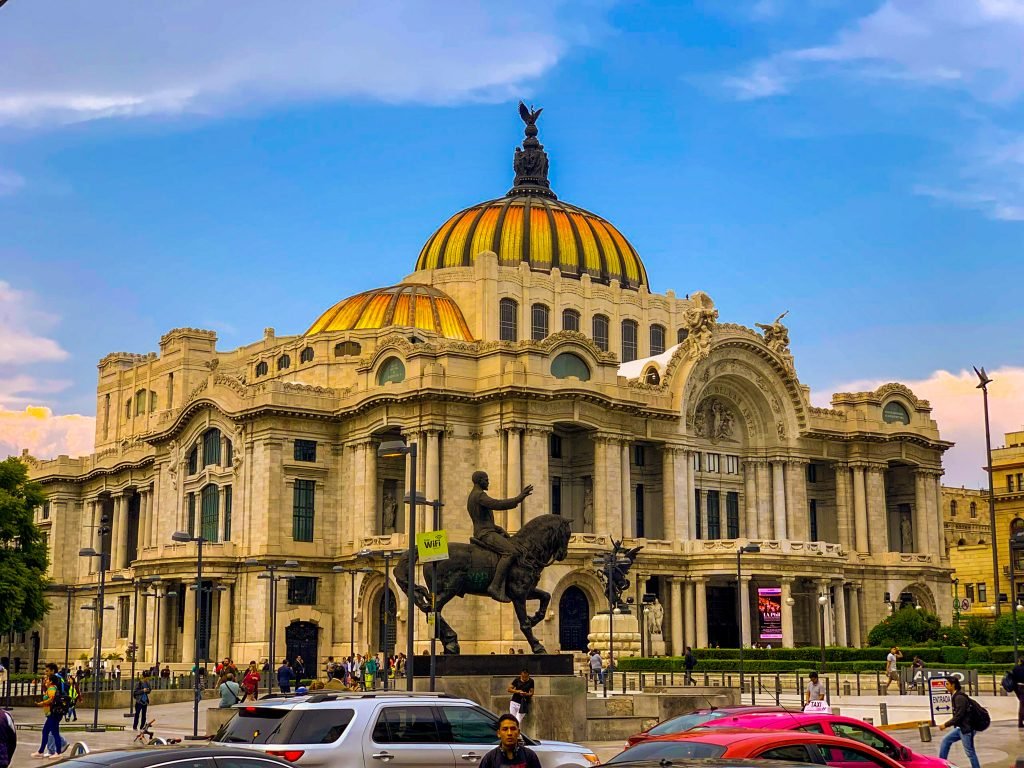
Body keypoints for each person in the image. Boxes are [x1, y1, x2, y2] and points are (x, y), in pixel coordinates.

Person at [467, 470, 533, 603]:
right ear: (479, 481)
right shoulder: (479, 495)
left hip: (487, 531)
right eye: (486, 480)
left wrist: (498, 529)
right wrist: (519, 498)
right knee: (511, 552)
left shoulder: (474, 495)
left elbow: (483, 520)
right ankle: (495, 587)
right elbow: (497, 504)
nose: (488, 482)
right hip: (485, 534)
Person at [938, 676, 981, 768]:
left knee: (970, 752)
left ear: (953, 685)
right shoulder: (956, 696)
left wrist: (945, 725)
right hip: (961, 728)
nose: (946, 686)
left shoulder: (959, 698)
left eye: (947, 684)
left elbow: (959, 715)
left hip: (967, 729)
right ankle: (941, 764)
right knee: (945, 741)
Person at [32, 671, 62, 758]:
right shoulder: (53, 688)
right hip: (51, 714)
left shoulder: (51, 689)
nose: (46, 680)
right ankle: (40, 751)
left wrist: (42, 703)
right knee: (45, 731)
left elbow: (52, 699)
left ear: (51, 681)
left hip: (53, 714)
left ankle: (58, 753)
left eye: (47, 679)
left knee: (55, 732)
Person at [1010, 656, 1024, 728]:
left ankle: (1020, 722)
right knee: (1022, 704)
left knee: (1022, 704)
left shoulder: (1016, 668)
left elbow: (1013, 678)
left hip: (1019, 687)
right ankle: (1021, 721)